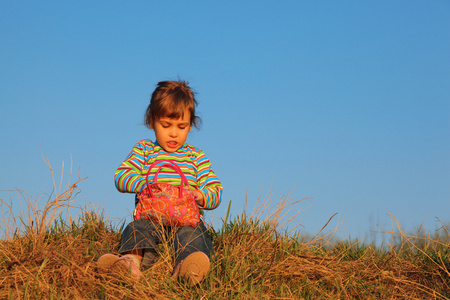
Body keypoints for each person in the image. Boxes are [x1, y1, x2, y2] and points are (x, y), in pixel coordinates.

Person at [97, 80, 223, 285]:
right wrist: (145, 184)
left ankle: (187, 267)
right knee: (137, 228)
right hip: (151, 217)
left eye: (181, 127)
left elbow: (215, 189)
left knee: (191, 236)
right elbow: (121, 176)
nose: (173, 133)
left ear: (190, 125)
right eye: (166, 125)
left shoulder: (196, 157)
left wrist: (200, 195)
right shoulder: (144, 150)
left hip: (186, 220)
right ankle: (129, 263)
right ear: (151, 121)